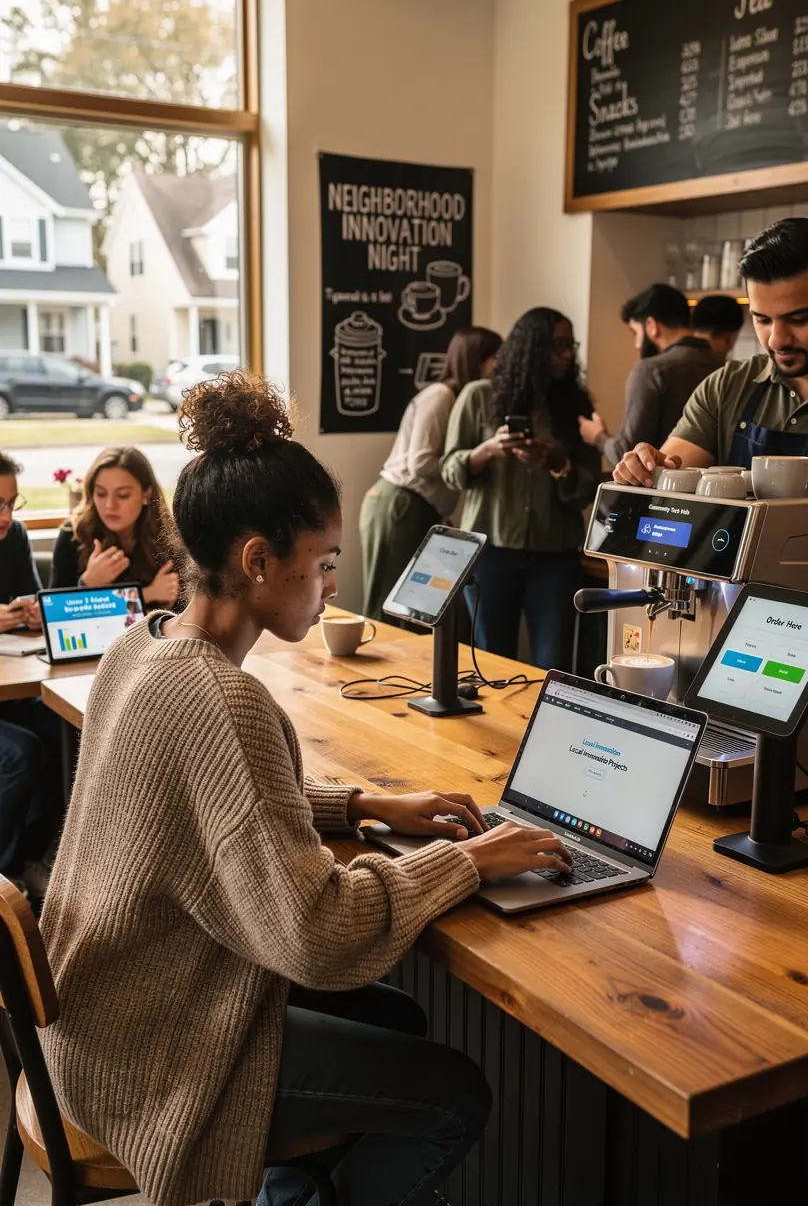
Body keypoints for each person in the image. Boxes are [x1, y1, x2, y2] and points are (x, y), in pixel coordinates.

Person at [39, 372, 573, 1206]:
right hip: (153, 1052)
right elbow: (316, 936)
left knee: (396, 1019)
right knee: (455, 1094)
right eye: (323, 565)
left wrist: (362, 805)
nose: (331, 587)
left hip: (99, 1016)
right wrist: (468, 862)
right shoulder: (222, 699)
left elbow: (207, 800)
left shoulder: (141, 647)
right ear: (258, 561)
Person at [441, 308, 600, 670]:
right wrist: (486, 451)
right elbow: (449, 470)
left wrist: (557, 464)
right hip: (490, 554)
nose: (567, 354)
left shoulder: (576, 406)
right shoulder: (479, 397)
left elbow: (590, 488)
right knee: (491, 665)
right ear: (531, 347)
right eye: (557, 345)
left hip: (555, 558)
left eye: (570, 345)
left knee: (553, 666)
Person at [613, 218, 808, 486]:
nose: (776, 339)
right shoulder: (727, 386)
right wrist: (647, 468)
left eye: (798, 319)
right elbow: (671, 476)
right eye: (763, 320)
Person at [360, 325, 502, 622]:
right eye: (495, 358)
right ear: (476, 359)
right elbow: (420, 462)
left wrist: (442, 508)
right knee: (387, 607)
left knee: (417, 608)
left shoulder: (458, 398)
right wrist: (468, 461)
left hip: (415, 507)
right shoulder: (441, 396)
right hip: (400, 504)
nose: (500, 367)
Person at [0, 452, 63, 898]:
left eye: (10, 503)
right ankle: (3, 877)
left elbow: (33, 600)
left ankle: (32, 856)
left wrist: (37, 613)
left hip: (13, 688)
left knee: (70, 731)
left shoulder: (15, 536)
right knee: (20, 753)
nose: (5, 516)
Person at [579, 284, 724, 466]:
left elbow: (628, 455)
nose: (637, 345)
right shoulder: (725, 366)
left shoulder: (651, 370)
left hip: (663, 480)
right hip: (715, 482)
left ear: (651, 326)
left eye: (635, 333)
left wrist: (598, 436)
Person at [50, 447, 179, 606]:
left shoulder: (170, 537)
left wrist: (169, 600)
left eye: (123, 495)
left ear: (146, 495)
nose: (110, 505)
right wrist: (87, 584)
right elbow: (53, 610)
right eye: (101, 494)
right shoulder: (73, 533)